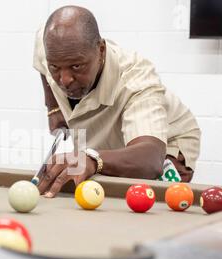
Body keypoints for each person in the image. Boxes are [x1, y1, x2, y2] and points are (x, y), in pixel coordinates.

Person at [33, 6, 201, 198]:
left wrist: (92, 158)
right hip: (104, 142)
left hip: (163, 144)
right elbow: (40, 59)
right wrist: (53, 107)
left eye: (76, 66)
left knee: (144, 203)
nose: (64, 80)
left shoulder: (136, 78)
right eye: (55, 67)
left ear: (101, 50)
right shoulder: (51, 42)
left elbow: (150, 159)